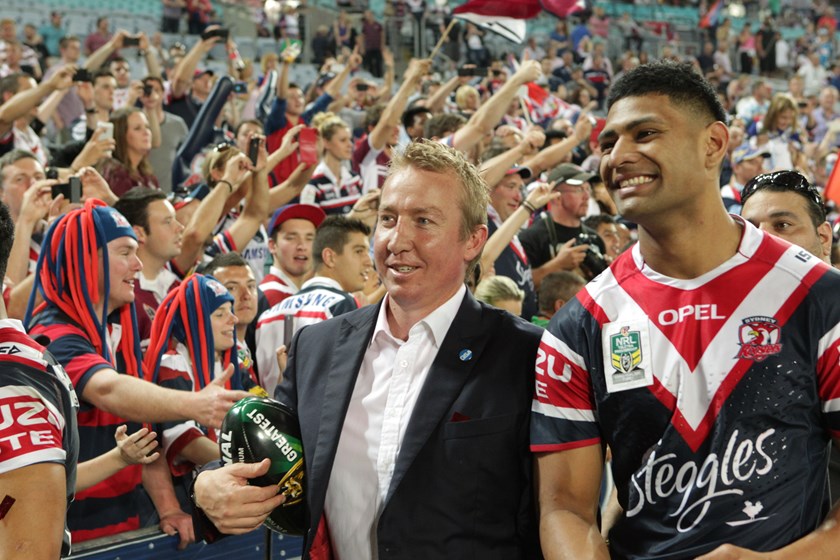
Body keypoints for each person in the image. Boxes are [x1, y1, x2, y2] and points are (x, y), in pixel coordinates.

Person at [533, 60, 840, 559]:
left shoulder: (819, 297)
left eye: (645, 133)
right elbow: (564, 507)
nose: (619, 156)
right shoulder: (579, 325)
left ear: (713, 144)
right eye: (608, 143)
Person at [192, 139, 543, 558]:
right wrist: (205, 484)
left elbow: (552, 513)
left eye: (424, 221)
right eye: (388, 218)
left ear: (472, 240)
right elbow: (275, 458)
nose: (397, 239)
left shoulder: (526, 354)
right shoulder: (317, 347)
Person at [25, 200, 250, 544]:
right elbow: (108, 391)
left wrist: (168, 507)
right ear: (86, 259)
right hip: (74, 537)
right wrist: (195, 405)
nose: (138, 264)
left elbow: (142, 437)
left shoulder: (117, 332)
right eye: (125, 252)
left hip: (125, 525)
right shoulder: (52, 335)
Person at [255, 215, 370, 395]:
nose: (368, 262)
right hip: (313, 419)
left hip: (268, 418)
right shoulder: (341, 303)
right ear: (329, 257)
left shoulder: (266, 315)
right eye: (358, 251)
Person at [260, 203, 326, 307]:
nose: (302, 246)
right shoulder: (268, 296)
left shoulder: (310, 294)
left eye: (310, 238)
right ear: (272, 245)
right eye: (291, 238)